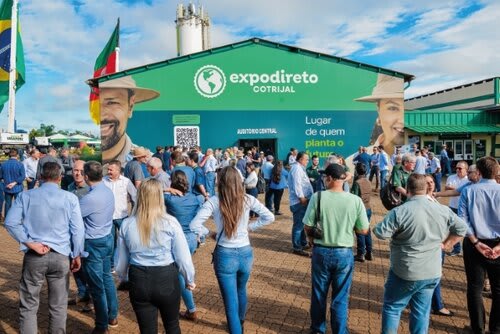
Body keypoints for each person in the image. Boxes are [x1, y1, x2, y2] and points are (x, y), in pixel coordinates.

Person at [374, 174, 467, 334]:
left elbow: (380, 233)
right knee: (421, 311)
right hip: (431, 272)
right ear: (426, 189)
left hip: (405, 271)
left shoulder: (400, 211)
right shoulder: (442, 209)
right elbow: (461, 228)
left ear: (407, 189)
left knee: (393, 307)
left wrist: (398, 234)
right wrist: (447, 244)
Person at [190, 166, 274, 334]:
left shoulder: (214, 201)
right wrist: (251, 227)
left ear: (220, 182)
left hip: (225, 254)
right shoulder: (247, 199)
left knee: (230, 300)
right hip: (245, 252)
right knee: (241, 290)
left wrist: (211, 233)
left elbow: (194, 225)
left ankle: (236, 329)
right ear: (238, 181)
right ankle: (240, 322)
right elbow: (269, 217)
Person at [5, 161, 85, 333]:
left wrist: (29, 242)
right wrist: (77, 254)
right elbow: (78, 229)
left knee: (28, 305)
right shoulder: (70, 198)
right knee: (58, 306)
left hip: (34, 256)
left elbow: (10, 222)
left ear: (40, 177)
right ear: (60, 178)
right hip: (61, 255)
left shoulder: (26, 196)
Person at [116, 178, 195, 334]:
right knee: (172, 326)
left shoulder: (127, 224)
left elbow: (121, 263)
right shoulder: (171, 222)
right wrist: (189, 280)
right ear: (159, 197)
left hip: (138, 279)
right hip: (166, 279)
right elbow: (183, 259)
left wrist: (123, 278)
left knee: (147, 330)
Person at [303, 163, 369, 334]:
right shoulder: (355, 200)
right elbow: (363, 230)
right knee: (340, 297)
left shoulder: (317, 197)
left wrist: (310, 238)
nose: (324, 180)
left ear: (330, 178)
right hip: (344, 253)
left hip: (321, 251)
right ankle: (339, 331)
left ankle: (318, 329)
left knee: (319, 295)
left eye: (325, 177)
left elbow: (308, 225)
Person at [458, 156, 500, 334]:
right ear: (497, 171)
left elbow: (462, 220)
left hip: (473, 242)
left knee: (474, 288)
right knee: (498, 289)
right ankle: (496, 329)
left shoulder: (469, 191)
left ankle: (478, 329)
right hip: (497, 245)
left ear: (479, 172)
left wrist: (475, 242)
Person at [79, 161, 119, 334]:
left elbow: (74, 217)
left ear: (86, 177)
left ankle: (102, 325)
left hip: (94, 243)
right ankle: (113, 315)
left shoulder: (90, 198)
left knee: (97, 286)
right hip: (106, 238)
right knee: (107, 278)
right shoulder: (107, 191)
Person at [164, 170, 204, 321]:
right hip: (192, 238)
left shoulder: (168, 199)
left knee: (180, 275)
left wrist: (167, 189)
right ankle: (188, 306)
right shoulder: (195, 198)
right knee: (181, 271)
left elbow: (147, 190)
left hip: (177, 239)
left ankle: (191, 309)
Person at [98, 75, 160, 165]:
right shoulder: (73, 163)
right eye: (92, 105)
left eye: (112, 103)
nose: (100, 116)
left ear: (130, 106)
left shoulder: (151, 165)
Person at [103, 159, 137, 287]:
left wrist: (133, 214)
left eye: (111, 169)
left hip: (122, 217)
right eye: (108, 169)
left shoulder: (126, 181)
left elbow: (135, 197)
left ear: (118, 170)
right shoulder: (103, 181)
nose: (109, 171)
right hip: (108, 218)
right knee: (110, 242)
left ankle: (127, 266)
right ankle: (112, 266)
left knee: (126, 242)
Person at [425, 175, 455, 317]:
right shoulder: (425, 201)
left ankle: (433, 303)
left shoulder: (434, 199)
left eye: (431, 182)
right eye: (427, 183)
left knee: (433, 275)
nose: (430, 184)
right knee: (435, 276)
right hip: (434, 245)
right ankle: (437, 305)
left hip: (438, 243)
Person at [355, 73, 405, 157]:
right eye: (393, 108)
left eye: (408, 109)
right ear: (378, 110)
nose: (402, 120)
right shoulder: (350, 163)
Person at [67, 159, 93, 312]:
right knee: (75, 266)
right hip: (72, 234)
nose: (77, 173)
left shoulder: (90, 189)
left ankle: (91, 297)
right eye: (75, 170)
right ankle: (82, 293)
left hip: (87, 235)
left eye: (80, 171)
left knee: (88, 267)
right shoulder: (70, 187)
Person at [288, 152, 314, 256]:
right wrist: (301, 197)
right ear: (299, 159)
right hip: (299, 201)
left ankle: (302, 243)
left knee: (302, 224)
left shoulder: (299, 168)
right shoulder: (296, 169)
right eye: (306, 159)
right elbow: (297, 184)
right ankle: (297, 247)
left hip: (302, 200)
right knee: (298, 225)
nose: (307, 161)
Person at [445, 160, 469, 256]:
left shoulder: (469, 180)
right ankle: (457, 249)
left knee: (467, 229)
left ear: (466, 170)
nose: (457, 170)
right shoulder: (451, 177)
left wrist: (453, 188)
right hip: (453, 206)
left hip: (466, 208)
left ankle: (468, 249)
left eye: (460, 168)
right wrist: (456, 189)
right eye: (456, 168)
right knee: (453, 228)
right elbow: (446, 188)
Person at [351, 163, 373, 262]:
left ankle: (360, 253)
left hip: (360, 210)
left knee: (360, 232)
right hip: (368, 208)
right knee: (367, 230)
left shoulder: (357, 183)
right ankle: (369, 252)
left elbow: (353, 198)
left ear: (356, 171)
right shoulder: (368, 181)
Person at [1, 150, 26, 216]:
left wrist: (6, 182)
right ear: (17, 155)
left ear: (9, 155)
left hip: (7, 187)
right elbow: (23, 176)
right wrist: (14, 183)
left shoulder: (3, 164)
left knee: (7, 204)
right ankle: (17, 219)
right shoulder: (20, 164)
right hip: (17, 187)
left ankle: (7, 219)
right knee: (18, 204)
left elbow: (1, 176)